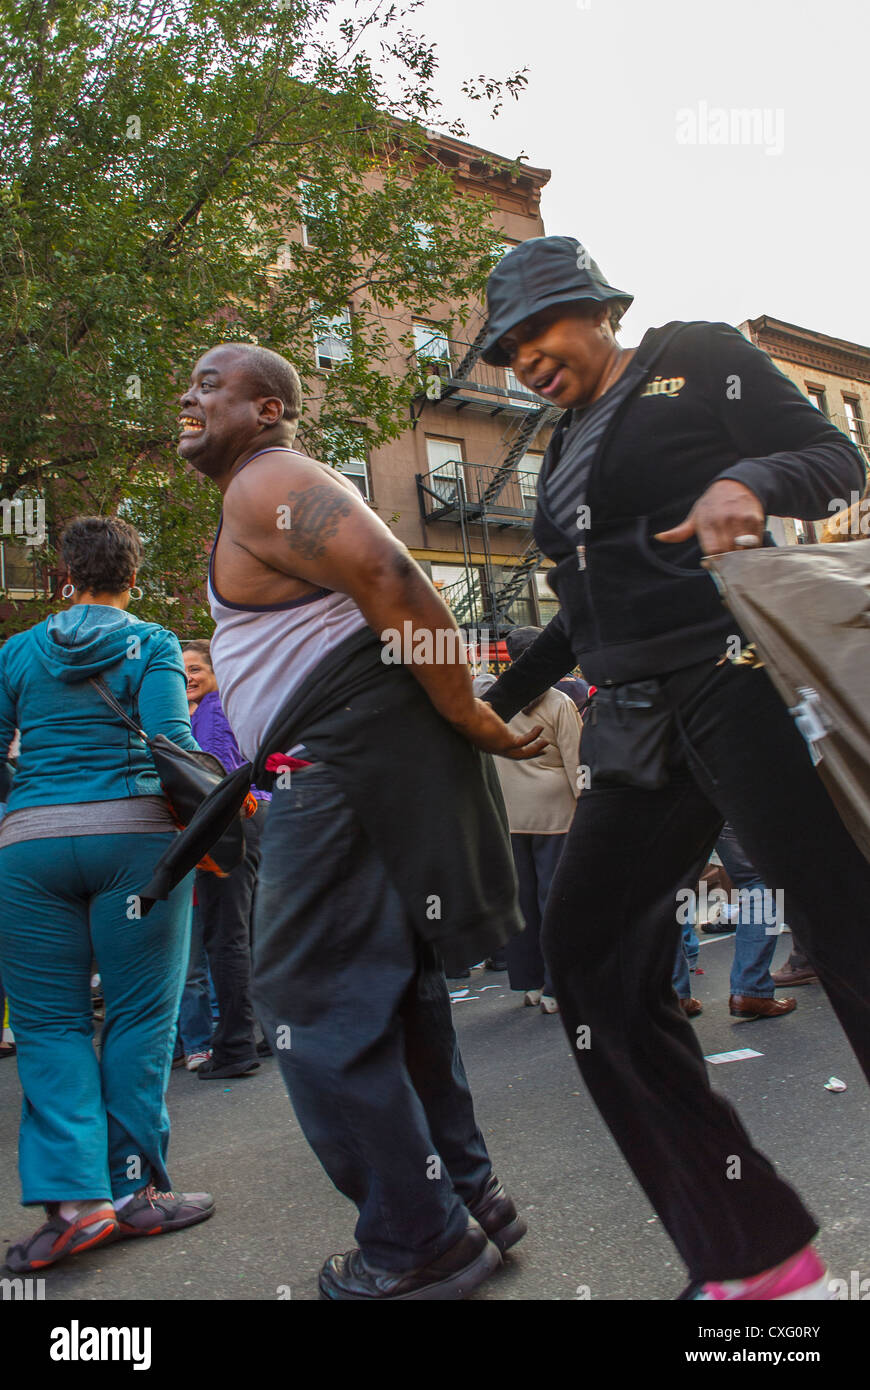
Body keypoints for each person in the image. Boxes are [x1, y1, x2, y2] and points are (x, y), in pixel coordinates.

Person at [479, 235, 869, 1300]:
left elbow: (838, 462)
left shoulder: (693, 356)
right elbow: (585, 605)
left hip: (741, 690)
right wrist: (494, 700)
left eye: (540, 331)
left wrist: (746, 477)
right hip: (634, 725)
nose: (528, 359)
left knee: (849, 936)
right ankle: (752, 1250)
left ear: (599, 310)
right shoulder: (561, 447)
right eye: (509, 350)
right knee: (589, 956)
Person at [174, 341, 544, 1300]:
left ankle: (419, 1243)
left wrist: (468, 709)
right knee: (385, 998)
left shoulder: (270, 482)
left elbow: (394, 573)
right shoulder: (259, 492)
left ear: (267, 410)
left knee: (312, 1006)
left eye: (211, 384)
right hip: (354, 768)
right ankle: (467, 1200)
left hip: (341, 769)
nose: (189, 395)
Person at [0, 517, 214, 1272]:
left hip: (27, 849)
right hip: (136, 843)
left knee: (49, 1025)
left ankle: (75, 1205)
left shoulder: (14, 652)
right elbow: (171, 744)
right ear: (133, 577)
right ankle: (132, 1194)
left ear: (64, 575)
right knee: (138, 1016)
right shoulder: (153, 643)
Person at [476, 628, 582, 1013]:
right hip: (556, 814)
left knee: (521, 903)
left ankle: (530, 983)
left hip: (508, 813)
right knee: (556, 901)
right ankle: (558, 987)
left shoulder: (490, 702)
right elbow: (576, 762)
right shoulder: (557, 702)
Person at [181, 640, 270, 1078]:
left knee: (226, 937)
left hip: (231, 822)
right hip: (252, 818)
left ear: (215, 671)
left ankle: (235, 1046)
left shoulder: (213, 713)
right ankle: (266, 1033)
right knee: (251, 933)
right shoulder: (220, 707)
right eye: (183, 673)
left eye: (196, 668)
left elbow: (213, 776)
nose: (189, 678)